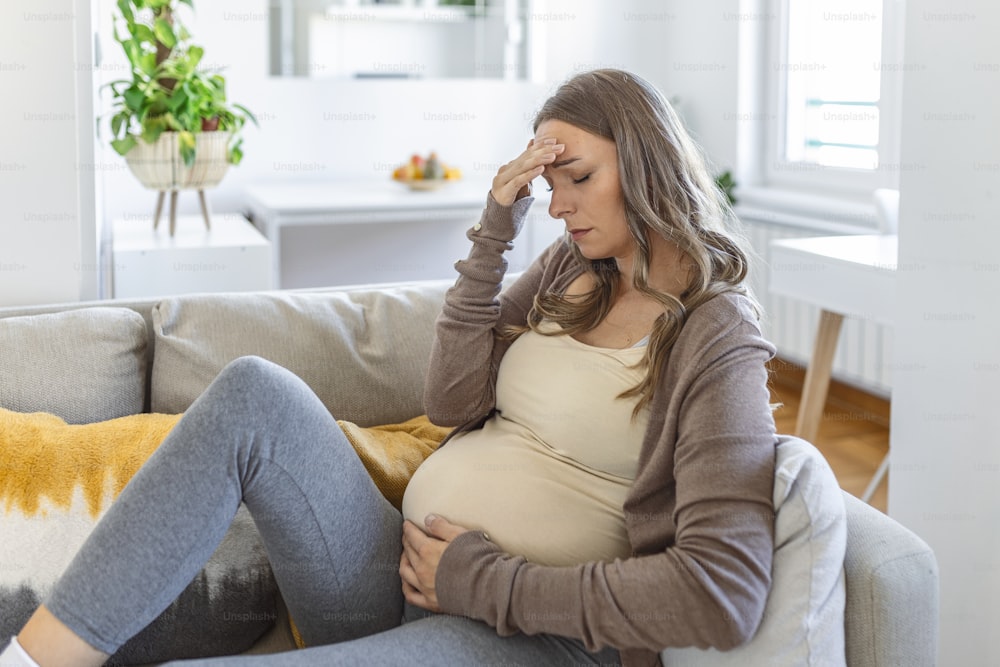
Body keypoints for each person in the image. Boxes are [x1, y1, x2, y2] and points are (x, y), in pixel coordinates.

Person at [3, 68, 777, 667]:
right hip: (396, 576)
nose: (561, 203)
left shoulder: (715, 336)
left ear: (644, 160)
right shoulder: (571, 268)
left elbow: (723, 590)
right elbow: (449, 398)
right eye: (549, 185)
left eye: (580, 176)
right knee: (254, 389)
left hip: (527, 634)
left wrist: (481, 580)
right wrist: (494, 233)